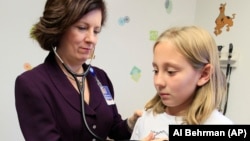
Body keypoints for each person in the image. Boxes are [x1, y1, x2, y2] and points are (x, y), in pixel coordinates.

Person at [14, 0, 141, 140]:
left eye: (96, 31)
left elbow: (112, 128)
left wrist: (131, 123)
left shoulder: (100, 77)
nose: (91, 39)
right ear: (59, 28)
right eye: (82, 28)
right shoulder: (32, 84)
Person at [130, 26, 233, 141]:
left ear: (204, 74)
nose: (158, 82)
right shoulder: (146, 118)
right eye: (156, 70)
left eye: (171, 72)